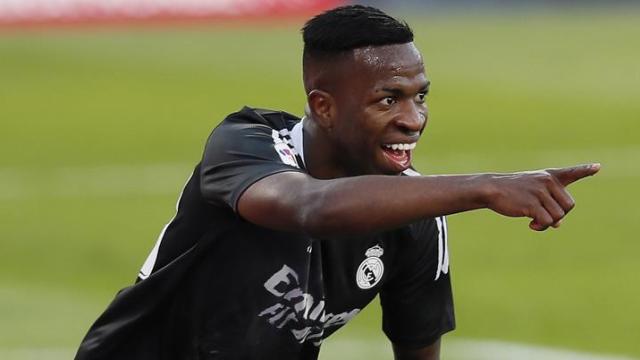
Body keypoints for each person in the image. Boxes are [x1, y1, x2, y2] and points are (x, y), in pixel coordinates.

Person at [75, 5, 599, 360]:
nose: (414, 118)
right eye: (388, 99)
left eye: (421, 96)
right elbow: (311, 208)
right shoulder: (245, 143)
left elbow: (418, 347)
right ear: (323, 106)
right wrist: (484, 188)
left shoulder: (417, 217)